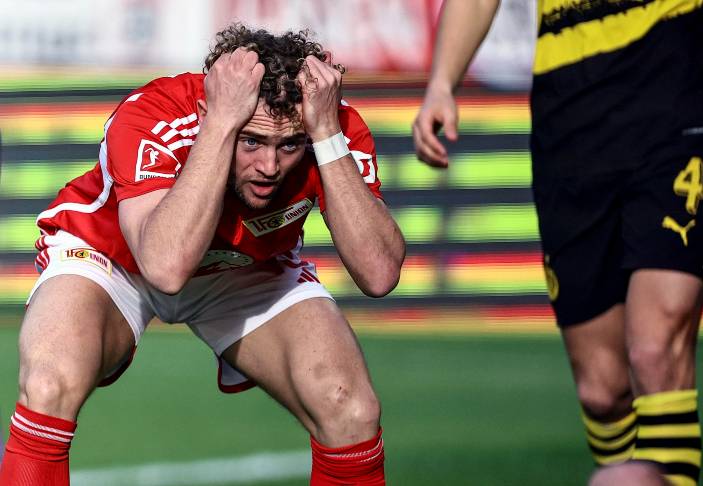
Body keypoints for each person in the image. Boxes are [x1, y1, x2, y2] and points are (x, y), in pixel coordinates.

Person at [0, 25, 405, 486]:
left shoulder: (329, 123)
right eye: (251, 141)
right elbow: (164, 267)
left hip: (243, 268)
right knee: (49, 383)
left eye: (289, 145)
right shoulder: (154, 114)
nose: (269, 167)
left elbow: (379, 274)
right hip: (115, 259)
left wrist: (327, 135)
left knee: (349, 408)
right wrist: (220, 126)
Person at [413, 1, 703, 485]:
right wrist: (442, 83)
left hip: (675, 102)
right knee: (602, 393)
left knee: (654, 350)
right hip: (569, 126)